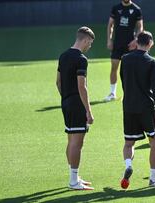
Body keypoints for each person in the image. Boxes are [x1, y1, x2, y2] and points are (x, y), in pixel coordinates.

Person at [119, 31, 155, 188]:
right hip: (146, 107)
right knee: (154, 142)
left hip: (129, 106)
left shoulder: (125, 59)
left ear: (136, 42)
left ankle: (128, 166)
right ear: (150, 43)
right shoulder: (152, 62)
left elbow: (123, 81)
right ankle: (153, 179)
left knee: (129, 143)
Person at [56, 26, 95, 190]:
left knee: (71, 141)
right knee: (77, 143)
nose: (90, 46)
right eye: (90, 43)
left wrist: (66, 98)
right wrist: (88, 110)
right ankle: (73, 181)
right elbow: (82, 86)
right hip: (77, 103)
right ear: (85, 40)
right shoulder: (81, 59)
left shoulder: (63, 56)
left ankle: (74, 176)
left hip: (66, 102)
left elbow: (58, 82)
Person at [105, 0, 143, 101]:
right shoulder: (116, 8)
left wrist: (136, 41)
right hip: (117, 44)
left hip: (130, 45)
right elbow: (110, 25)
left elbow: (140, 27)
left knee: (130, 70)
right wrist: (109, 40)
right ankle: (112, 93)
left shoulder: (136, 9)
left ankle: (130, 93)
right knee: (114, 67)